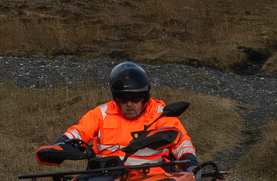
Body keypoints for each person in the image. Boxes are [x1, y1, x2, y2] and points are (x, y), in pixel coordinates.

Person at [40, 62, 197, 168]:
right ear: (116, 98)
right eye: (123, 98)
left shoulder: (160, 114)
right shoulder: (101, 113)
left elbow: (180, 142)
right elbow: (78, 132)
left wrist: (189, 161)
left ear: (145, 96)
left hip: (149, 177)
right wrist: (60, 145)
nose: (129, 103)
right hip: (104, 177)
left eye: (135, 98)